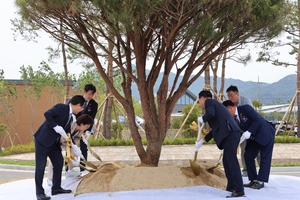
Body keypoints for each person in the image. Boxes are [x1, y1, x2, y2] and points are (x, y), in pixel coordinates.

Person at [34, 95, 85, 200]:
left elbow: (68, 133)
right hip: (42, 140)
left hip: (53, 143)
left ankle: (56, 188)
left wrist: (75, 147)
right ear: (78, 105)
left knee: (58, 162)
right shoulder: (62, 107)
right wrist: (55, 126)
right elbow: (47, 114)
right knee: (40, 167)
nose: (81, 109)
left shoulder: (70, 116)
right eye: (82, 107)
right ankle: (39, 193)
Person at [195, 90, 244, 198]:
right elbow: (216, 129)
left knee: (231, 161)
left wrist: (203, 118)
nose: (200, 104)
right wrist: (202, 141)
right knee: (227, 162)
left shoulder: (210, 102)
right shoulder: (216, 106)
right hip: (230, 133)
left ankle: (239, 190)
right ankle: (231, 187)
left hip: (230, 133)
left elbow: (210, 114)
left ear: (202, 98)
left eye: (199, 101)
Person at [222, 100, 275, 190]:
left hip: (265, 134)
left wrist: (250, 131)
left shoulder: (246, 108)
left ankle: (261, 181)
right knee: (248, 156)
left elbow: (257, 119)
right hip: (253, 138)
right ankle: (253, 179)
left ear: (229, 108)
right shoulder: (234, 119)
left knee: (265, 158)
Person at [47, 114, 94, 186]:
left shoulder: (80, 131)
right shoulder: (70, 124)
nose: (87, 128)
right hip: (55, 141)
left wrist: (76, 150)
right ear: (81, 124)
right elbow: (63, 135)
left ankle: (70, 171)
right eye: (86, 126)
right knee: (55, 158)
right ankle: (50, 178)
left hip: (66, 143)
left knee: (74, 151)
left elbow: (75, 141)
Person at [226, 85, 259, 177]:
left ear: (237, 94)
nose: (230, 98)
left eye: (231, 95)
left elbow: (251, 116)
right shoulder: (229, 105)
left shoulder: (246, 101)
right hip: (240, 131)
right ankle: (246, 170)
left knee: (258, 151)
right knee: (244, 150)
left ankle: (261, 170)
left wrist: (249, 131)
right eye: (228, 96)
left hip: (252, 129)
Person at [76, 83, 98, 172]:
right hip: (75, 127)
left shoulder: (94, 104)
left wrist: (88, 131)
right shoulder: (77, 100)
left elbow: (91, 119)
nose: (91, 96)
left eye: (93, 94)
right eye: (89, 93)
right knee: (71, 147)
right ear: (84, 92)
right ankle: (68, 169)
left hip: (85, 129)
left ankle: (82, 169)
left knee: (83, 148)